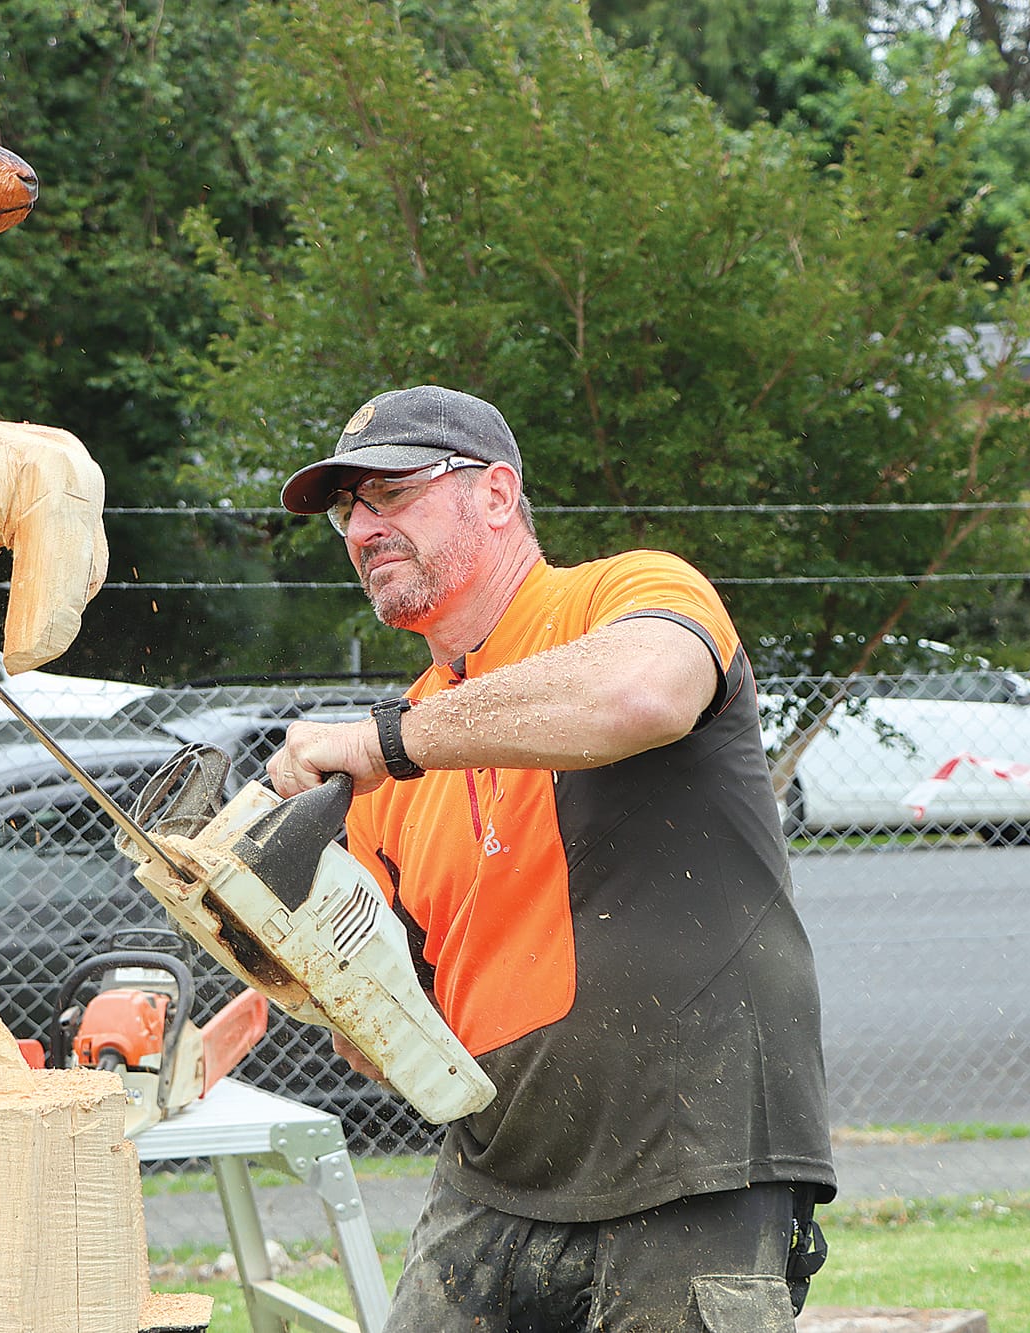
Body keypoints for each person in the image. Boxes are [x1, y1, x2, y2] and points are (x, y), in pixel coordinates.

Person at [266, 385, 837, 1332]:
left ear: (496, 493)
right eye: (347, 510)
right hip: (494, 1175)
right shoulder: (392, 765)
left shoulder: (628, 593)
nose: (363, 527)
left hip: (693, 1160)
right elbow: (379, 1039)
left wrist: (385, 740)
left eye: (392, 492)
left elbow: (644, 691)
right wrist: (281, 943)